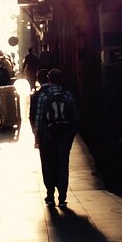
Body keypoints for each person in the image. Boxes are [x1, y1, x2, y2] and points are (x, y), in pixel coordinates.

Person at [34, 68, 79, 207]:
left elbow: (39, 118)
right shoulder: (68, 95)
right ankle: (62, 197)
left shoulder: (44, 96)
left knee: (48, 164)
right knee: (62, 165)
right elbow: (75, 117)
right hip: (64, 136)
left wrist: (38, 136)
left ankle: (50, 195)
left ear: (49, 80)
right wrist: (70, 134)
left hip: (48, 136)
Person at [29, 69, 50, 148]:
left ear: (38, 80)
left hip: (43, 132)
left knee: (46, 158)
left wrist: (36, 134)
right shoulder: (63, 93)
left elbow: (32, 116)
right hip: (60, 131)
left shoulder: (36, 96)